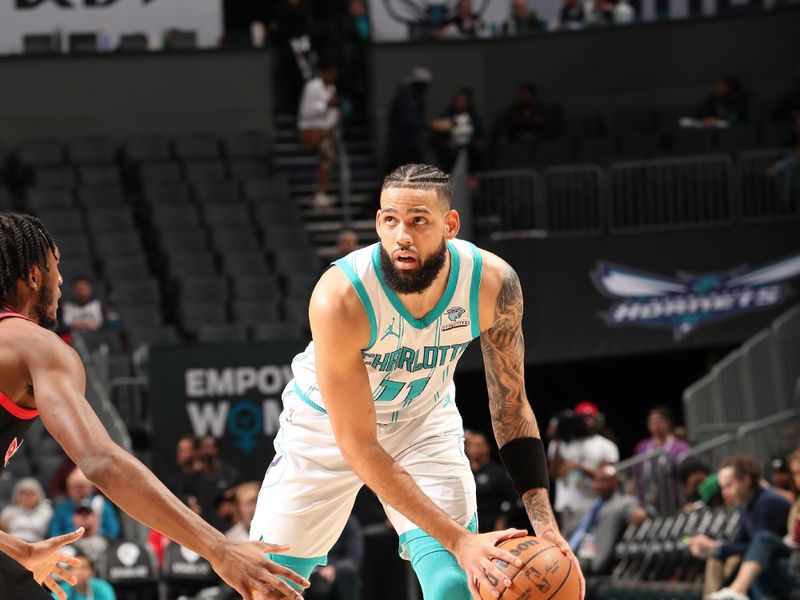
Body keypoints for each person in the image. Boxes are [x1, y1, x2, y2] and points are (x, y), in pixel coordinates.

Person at [249, 164, 584, 600]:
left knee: (454, 585)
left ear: (450, 225)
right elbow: (358, 444)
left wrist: (543, 520)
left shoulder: (491, 284)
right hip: (326, 431)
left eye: (417, 220)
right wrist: (460, 540)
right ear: (377, 223)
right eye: (390, 220)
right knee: (267, 589)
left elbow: (511, 405)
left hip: (423, 421)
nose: (401, 235)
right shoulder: (340, 297)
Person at [0, 212, 307, 599]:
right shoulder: (36, 346)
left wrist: (22, 551)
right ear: (32, 276)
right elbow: (99, 460)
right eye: (55, 265)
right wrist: (220, 548)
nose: (60, 280)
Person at [688, 454, 792, 600]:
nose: (724, 494)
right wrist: (712, 549)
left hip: (786, 562)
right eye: (722, 488)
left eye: (729, 486)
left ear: (746, 480)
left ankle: (736, 591)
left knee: (741, 553)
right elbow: (739, 544)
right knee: (716, 559)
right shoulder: (747, 505)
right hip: (768, 564)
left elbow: (760, 548)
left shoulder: (769, 502)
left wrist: (717, 547)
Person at [548, 410, 620, 538]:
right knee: (567, 540)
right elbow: (553, 474)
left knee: (590, 541)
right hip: (567, 503)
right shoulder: (561, 444)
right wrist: (558, 436)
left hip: (592, 501)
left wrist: (579, 467)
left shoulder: (604, 444)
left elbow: (606, 477)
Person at [569, 463, 646, 576]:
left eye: (603, 481)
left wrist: (638, 514)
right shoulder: (588, 505)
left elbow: (638, 514)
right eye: (596, 481)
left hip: (594, 560)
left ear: (614, 483)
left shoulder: (623, 503)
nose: (598, 486)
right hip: (572, 551)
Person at [632, 406, 690, 514]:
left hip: (674, 499)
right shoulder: (642, 447)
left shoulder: (681, 447)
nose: (656, 425)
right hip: (647, 499)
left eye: (659, 421)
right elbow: (635, 475)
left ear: (668, 423)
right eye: (652, 422)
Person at [298, 63, 340, 209]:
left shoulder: (331, 88)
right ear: (324, 72)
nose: (333, 77)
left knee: (328, 158)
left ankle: (320, 193)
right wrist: (327, 104)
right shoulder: (312, 87)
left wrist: (327, 126)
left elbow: (334, 113)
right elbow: (307, 112)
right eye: (331, 73)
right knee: (327, 155)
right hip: (308, 128)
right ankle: (318, 193)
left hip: (324, 130)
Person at [464, 430, 517, 533]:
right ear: (468, 448)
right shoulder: (464, 472)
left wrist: (503, 520)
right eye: (474, 445)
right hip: (470, 529)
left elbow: (513, 500)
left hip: (492, 528)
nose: (477, 448)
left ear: (487, 448)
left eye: (480, 445)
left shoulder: (497, 472)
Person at [49, 467, 120, 540]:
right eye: (75, 487)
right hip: (70, 545)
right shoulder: (62, 509)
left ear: (91, 488)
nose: (78, 490)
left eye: (81, 486)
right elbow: (54, 534)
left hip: (98, 543)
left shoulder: (102, 505)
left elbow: (113, 531)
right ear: (68, 489)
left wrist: (94, 528)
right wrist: (74, 532)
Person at [306, 515, 364, 600]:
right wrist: (317, 569)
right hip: (313, 567)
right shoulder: (311, 521)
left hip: (339, 567)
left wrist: (334, 568)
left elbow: (355, 556)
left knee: (348, 572)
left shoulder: (348, 521)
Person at [387, 68, 433, 171]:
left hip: (401, 143)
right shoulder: (409, 98)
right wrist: (426, 124)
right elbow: (409, 122)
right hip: (405, 143)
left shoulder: (406, 95)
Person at [429, 88, 485, 172]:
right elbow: (436, 134)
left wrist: (475, 143)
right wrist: (447, 144)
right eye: (459, 100)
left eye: (463, 101)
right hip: (451, 159)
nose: (461, 103)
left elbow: (479, 134)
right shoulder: (447, 117)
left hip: (470, 157)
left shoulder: (473, 119)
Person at [0, 478, 53, 543]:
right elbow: (3, 532)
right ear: (17, 495)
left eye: (31, 493)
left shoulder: (46, 511)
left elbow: (51, 533)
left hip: (37, 544)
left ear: (39, 495)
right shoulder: (8, 511)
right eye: (23, 493)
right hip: (13, 543)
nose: (27, 497)